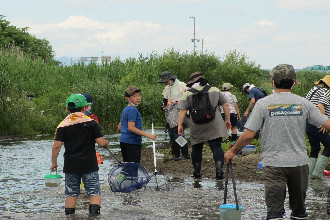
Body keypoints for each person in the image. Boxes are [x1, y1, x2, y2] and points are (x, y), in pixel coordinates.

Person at [225, 64, 330, 220]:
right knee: (299, 212)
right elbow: (327, 124)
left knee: (274, 213)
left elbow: (248, 135)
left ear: (272, 81)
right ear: (294, 83)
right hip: (299, 164)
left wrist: (232, 151)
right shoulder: (303, 103)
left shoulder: (263, 104)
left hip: (273, 164)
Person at [50, 94, 109, 216]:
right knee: (94, 192)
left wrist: (54, 162)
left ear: (67, 109)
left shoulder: (63, 125)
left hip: (71, 165)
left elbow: (56, 146)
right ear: (85, 108)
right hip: (89, 164)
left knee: (72, 194)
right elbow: (101, 143)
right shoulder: (91, 123)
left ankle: (70, 217)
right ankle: (93, 218)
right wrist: (106, 144)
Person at [178, 72, 231, 179]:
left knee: (196, 148)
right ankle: (219, 172)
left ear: (192, 82)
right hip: (214, 123)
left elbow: (183, 109)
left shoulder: (188, 93)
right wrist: (227, 120)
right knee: (216, 147)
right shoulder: (215, 90)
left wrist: (180, 125)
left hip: (196, 124)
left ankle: (197, 173)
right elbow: (225, 104)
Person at [118, 86, 157, 164]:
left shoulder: (126, 109)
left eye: (139, 95)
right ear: (127, 99)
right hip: (132, 142)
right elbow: (131, 128)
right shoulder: (133, 110)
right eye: (134, 96)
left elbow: (119, 127)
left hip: (123, 141)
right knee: (133, 167)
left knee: (128, 166)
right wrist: (148, 135)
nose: (138, 98)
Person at [158, 71, 190, 161]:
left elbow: (188, 97)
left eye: (166, 80)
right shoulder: (167, 88)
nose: (165, 82)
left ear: (171, 79)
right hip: (170, 114)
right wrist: (162, 105)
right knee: (171, 134)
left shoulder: (181, 85)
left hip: (180, 113)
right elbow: (165, 99)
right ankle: (176, 154)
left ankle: (185, 154)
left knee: (178, 134)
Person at [305, 75, 330, 179]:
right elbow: (320, 105)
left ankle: (310, 174)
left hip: (308, 123)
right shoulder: (327, 91)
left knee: (315, 148)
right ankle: (317, 172)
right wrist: (323, 121)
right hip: (317, 123)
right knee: (329, 145)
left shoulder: (314, 90)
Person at [81, 93, 103, 164]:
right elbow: (96, 134)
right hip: (89, 149)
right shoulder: (92, 116)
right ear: (87, 104)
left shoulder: (69, 118)